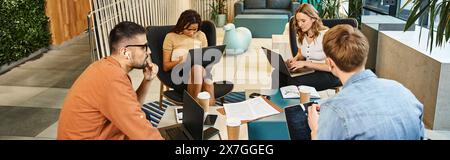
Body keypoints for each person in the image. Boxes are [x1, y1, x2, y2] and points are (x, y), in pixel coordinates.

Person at [307, 24, 425, 140]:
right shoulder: (403, 91)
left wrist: (315, 129)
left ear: (330, 63)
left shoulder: (334, 111)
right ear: (364, 56)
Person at [57, 21, 164, 140]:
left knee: (145, 116)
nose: (149, 51)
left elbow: (132, 108)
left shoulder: (107, 67)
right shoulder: (113, 79)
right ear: (125, 52)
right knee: (144, 122)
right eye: (144, 47)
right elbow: (143, 133)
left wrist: (147, 80)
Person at [273, 4, 340, 91]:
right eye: (298, 21)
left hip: (329, 74)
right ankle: (277, 102)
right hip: (310, 70)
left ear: (313, 19)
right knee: (277, 74)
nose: (300, 24)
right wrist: (295, 59)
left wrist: (304, 63)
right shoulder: (302, 34)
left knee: (294, 82)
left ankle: (295, 103)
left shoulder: (326, 35)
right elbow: (301, 53)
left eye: (303, 21)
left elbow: (331, 67)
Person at [162, 9, 215, 105]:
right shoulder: (171, 37)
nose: (192, 33)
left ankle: (200, 112)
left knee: (204, 75)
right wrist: (181, 60)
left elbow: (206, 60)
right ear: (181, 25)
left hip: (200, 71)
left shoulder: (201, 35)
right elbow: (166, 66)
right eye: (188, 29)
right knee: (204, 75)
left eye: (195, 29)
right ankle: (196, 108)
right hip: (179, 74)